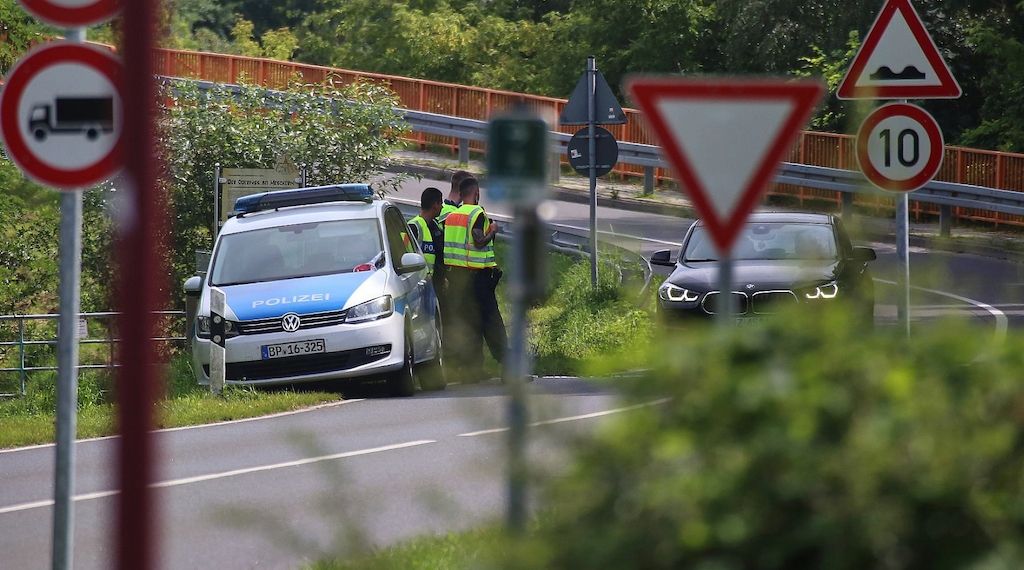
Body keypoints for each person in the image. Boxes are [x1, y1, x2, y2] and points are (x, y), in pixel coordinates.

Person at [443, 177, 508, 380]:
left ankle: (471, 371)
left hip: (457, 280)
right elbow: (479, 241)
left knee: (470, 325)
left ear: (460, 194)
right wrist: (492, 231)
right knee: (492, 323)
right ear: (477, 193)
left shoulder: (453, 216)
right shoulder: (476, 214)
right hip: (478, 279)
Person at [407, 187, 445, 279]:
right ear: (435, 205)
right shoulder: (413, 226)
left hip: (434, 281)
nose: (442, 207)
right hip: (418, 282)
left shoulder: (437, 226)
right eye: (440, 203)